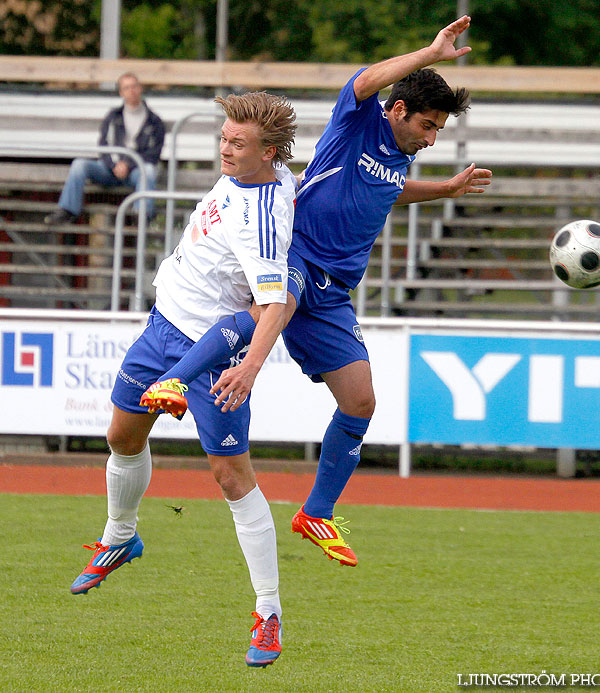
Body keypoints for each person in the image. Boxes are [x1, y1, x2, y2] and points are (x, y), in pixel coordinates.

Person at [142, 15, 491, 568]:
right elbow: (364, 79)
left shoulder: (400, 157)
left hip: (334, 292)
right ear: (398, 110)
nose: (430, 138)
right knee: (265, 312)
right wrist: (428, 54)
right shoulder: (359, 120)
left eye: (437, 132)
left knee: (360, 401)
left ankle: (317, 512)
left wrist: (445, 189)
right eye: (427, 125)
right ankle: (172, 381)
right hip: (297, 253)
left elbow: (387, 191)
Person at [69, 91, 297, 669]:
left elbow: (277, 304)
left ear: (268, 152)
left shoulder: (261, 221)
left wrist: (249, 366)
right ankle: (121, 536)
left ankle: (268, 613)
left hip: (213, 350)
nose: (225, 148)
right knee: (122, 436)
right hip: (160, 326)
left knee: (230, 475)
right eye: (223, 137)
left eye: (237, 143)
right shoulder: (260, 173)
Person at [44, 72, 165, 225]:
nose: (131, 91)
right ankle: (67, 210)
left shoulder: (154, 121)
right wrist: (115, 165)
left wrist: (128, 165)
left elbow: (154, 154)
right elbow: (104, 145)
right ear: (121, 92)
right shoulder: (113, 117)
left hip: (135, 171)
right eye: (126, 88)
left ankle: (141, 215)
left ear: (140, 88)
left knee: (147, 171)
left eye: (134, 86)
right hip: (110, 170)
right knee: (79, 165)